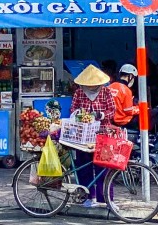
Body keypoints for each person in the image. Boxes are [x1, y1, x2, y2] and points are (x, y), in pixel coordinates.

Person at [69, 65, 116, 209]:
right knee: (84, 167)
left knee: (103, 168)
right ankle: (87, 197)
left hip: (103, 134)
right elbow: (73, 109)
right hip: (83, 135)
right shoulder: (79, 93)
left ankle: (105, 199)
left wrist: (101, 115)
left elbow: (112, 111)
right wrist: (78, 114)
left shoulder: (106, 92)